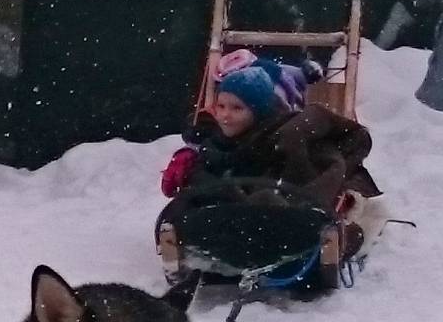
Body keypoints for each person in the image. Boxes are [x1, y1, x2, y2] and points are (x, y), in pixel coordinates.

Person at [157, 63, 387, 290]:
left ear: (257, 111)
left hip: (283, 212)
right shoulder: (214, 146)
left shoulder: (286, 137)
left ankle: (329, 246)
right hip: (239, 217)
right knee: (186, 210)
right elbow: (203, 180)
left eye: (237, 108)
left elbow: (316, 175)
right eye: (221, 106)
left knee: (291, 217)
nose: (225, 116)